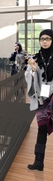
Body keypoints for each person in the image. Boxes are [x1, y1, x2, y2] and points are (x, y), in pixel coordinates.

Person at [25, 29, 53, 171]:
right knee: (41, 128)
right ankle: (38, 161)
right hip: (43, 98)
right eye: (42, 39)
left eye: (48, 38)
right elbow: (28, 75)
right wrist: (34, 70)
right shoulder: (36, 58)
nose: (45, 41)